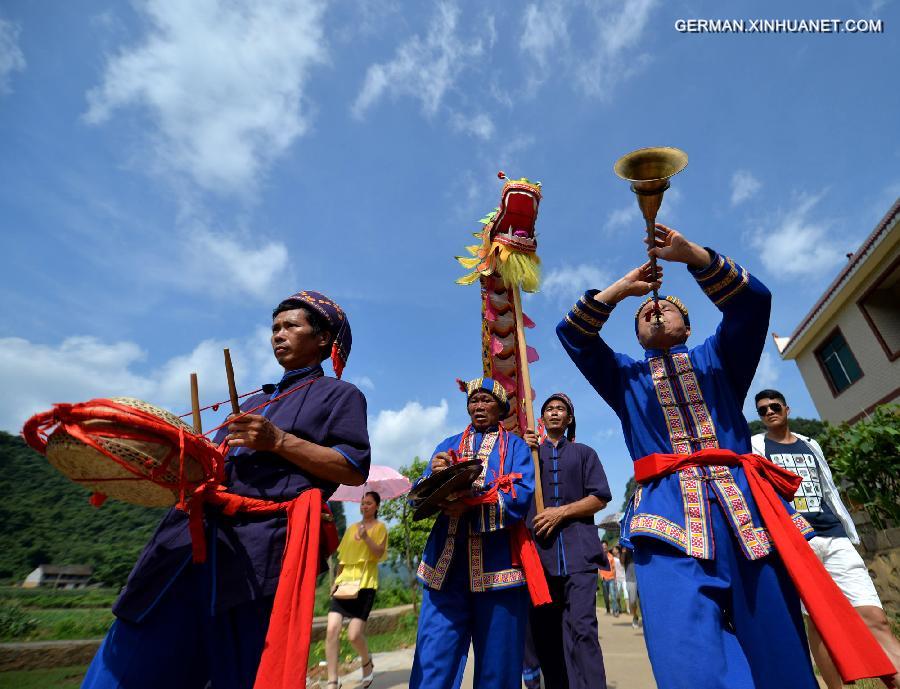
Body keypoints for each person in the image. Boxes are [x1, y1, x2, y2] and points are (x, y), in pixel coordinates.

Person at [556, 223, 828, 689]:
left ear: (690, 325)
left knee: (780, 658)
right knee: (686, 663)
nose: (655, 310)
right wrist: (621, 289)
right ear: (637, 336)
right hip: (667, 522)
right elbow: (575, 336)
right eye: (644, 312)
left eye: (667, 307)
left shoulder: (719, 358)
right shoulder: (625, 379)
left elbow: (752, 304)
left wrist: (692, 255)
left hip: (750, 516)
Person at [81, 290, 371, 689]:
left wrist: (279, 441)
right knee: (138, 643)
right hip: (191, 536)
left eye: (291, 326)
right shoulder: (254, 401)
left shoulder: (341, 396)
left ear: (322, 339)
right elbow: (209, 466)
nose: (278, 335)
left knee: (239, 665)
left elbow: (353, 468)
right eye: (274, 328)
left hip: (258, 548)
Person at [751, 389, 900, 688]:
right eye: (762, 410)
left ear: (787, 408)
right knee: (819, 622)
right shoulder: (755, 447)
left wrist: (847, 529)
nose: (769, 412)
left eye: (774, 406)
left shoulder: (811, 444)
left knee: (876, 617)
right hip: (796, 543)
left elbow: (829, 489)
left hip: (834, 536)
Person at [409, 377, 536, 689]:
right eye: (473, 400)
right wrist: (435, 476)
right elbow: (418, 494)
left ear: (501, 408)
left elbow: (521, 494)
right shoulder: (447, 445)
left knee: (498, 666)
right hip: (445, 568)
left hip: (498, 569)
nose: (479, 406)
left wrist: (470, 505)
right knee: (432, 658)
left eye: (486, 400)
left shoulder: (517, 447)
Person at [523, 392, 612, 689]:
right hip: (541, 555)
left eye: (561, 409)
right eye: (549, 409)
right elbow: (513, 491)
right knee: (546, 630)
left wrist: (561, 512)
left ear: (569, 419)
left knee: (583, 628)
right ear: (542, 418)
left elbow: (599, 497)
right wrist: (522, 454)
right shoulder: (529, 456)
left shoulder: (585, 453)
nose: (554, 413)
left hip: (580, 554)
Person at [325, 491, 388, 689]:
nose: (364, 506)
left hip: (365, 585)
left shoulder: (380, 528)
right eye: (363, 503)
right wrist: (335, 581)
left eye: (369, 503)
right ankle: (332, 681)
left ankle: (366, 661)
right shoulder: (352, 527)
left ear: (377, 506)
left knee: (354, 635)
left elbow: (378, 554)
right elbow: (342, 558)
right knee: (332, 629)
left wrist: (367, 538)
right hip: (344, 584)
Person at [621, 546, 641, 629]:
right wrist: (624, 552)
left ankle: (647, 620)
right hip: (630, 578)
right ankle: (635, 616)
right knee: (632, 601)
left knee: (644, 602)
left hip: (642, 578)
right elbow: (622, 562)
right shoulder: (626, 546)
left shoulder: (640, 544)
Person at [598, 541, 616, 615]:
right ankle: (608, 610)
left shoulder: (611, 556)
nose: (604, 547)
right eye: (603, 546)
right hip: (604, 579)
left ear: (607, 546)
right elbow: (598, 568)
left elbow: (614, 568)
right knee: (606, 596)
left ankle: (615, 610)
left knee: (613, 594)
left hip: (611, 578)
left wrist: (615, 578)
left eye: (605, 545)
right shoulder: (600, 557)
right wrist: (601, 575)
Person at [612, 545, 627, 614]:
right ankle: (619, 607)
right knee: (617, 596)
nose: (613, 551)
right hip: (617, 579)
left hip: (624, 578)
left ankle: (628, 609)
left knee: (626, 595)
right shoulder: (613, 559)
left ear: (617, 550)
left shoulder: (622, 557)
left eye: (614, 549)